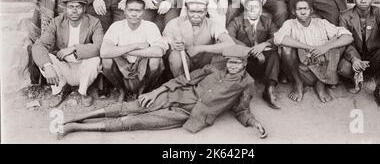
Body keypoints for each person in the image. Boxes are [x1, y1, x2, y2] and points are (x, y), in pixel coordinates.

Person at [57, 45, 267, 139]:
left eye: (237, 63)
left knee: (134, 122)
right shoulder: (213, 67)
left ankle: (76, 128)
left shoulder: (246, 83)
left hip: (188, 114)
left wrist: (255, 123)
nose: (232, 66)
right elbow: (183, 79)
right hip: (176, 95)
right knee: (130, 107)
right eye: (230, 61)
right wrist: (155, 92)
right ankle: (79, 117)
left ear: (244, 64)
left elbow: (241, 109)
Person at [274, 0, 353, 103]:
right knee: (285, 49)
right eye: (299, 9)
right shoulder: (289, 24)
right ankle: (298, 84)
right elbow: (278, 39)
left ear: (311, 10)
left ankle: (321, 85)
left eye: (305, 9)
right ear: (293, 11)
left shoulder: (322, 23)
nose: (303, 12)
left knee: (337, 43)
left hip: (323, 67)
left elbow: (348, 37)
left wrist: (325, 47)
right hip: (301, 71)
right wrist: (308, 47)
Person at [31, 0, 103, 107]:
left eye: (78, 7)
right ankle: (59, 90)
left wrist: (74, 48)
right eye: (71, 7)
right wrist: (47, 66)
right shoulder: (57, 22)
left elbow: (99, 46)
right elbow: (39, 45)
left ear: (84, 8)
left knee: (95, 59)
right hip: (63, 66)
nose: (74, 11)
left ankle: (83, 92)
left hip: (83, 67)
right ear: (65, 8)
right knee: (46, 59)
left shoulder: (94, 22)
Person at [100, 0, 169, 101]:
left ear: (143, 12)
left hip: (142, 66)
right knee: (106, 61)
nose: (134, 14)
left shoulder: (150, 26)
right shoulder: (116, 26)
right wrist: (136, 45)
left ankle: (144, 89)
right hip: (122, 67)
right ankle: (121, 90)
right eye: (130, 10)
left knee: (156, 61)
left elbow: (159, 51)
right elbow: (104, 52)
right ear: (125, 11)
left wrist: (126, 51)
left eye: (138, 10)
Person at [227, 0, 281, 109]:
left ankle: (269, 89)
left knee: (273, 54)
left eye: (256, 7)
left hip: (262, 64)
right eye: (249, 7)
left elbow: (277, 37)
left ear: (261, 10)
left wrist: (264, 44)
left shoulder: (267, 21)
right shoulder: (236, 21)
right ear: (245, 9)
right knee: (235, 56)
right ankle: (239, 90)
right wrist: (250, 50)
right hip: (245, 62)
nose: (252, 9)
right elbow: (229, 38)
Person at [163, 0, 235, 77]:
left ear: (206, 11)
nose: (196, 16)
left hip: (204, 66)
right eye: (192, 11)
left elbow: (230, 44)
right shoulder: (174, 23)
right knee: (175, 56)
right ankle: (181, 83)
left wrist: (200, 48)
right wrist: (173, 46)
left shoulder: (212, 24)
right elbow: (163, 46)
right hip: (181, 68)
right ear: (186, 10)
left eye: (200, 12)